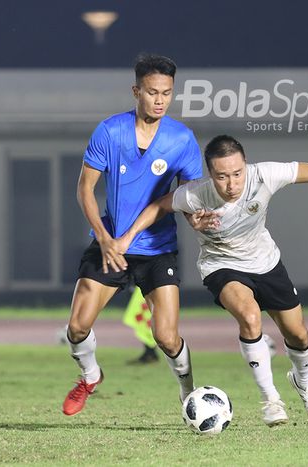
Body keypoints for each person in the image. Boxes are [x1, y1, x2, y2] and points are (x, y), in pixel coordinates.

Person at [108, 135, 308, 426]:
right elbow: (158, 206)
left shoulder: (265, 175)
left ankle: (304, 384)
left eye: (237, 173)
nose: (231, 183)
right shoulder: (196, 192)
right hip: (221, 267)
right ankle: (271, 400)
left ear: (246, 166)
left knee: (299, 336)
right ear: (210, 174)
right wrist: (127, 239)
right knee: (250, 317)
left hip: (267, 264)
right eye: (222, 176)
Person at [62, 54, 210, 416]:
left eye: (167, 93)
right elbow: (84, 189)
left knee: (165, 337)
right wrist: (103, 237)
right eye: (152, 92)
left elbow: (186, 197)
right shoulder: (110, 132)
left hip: (158, 250)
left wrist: (197, 220)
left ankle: (188, 391)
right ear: (136, 91)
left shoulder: (182, 140)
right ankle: (90, 376)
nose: (159, 100)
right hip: (110, 244)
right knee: (77, 327)